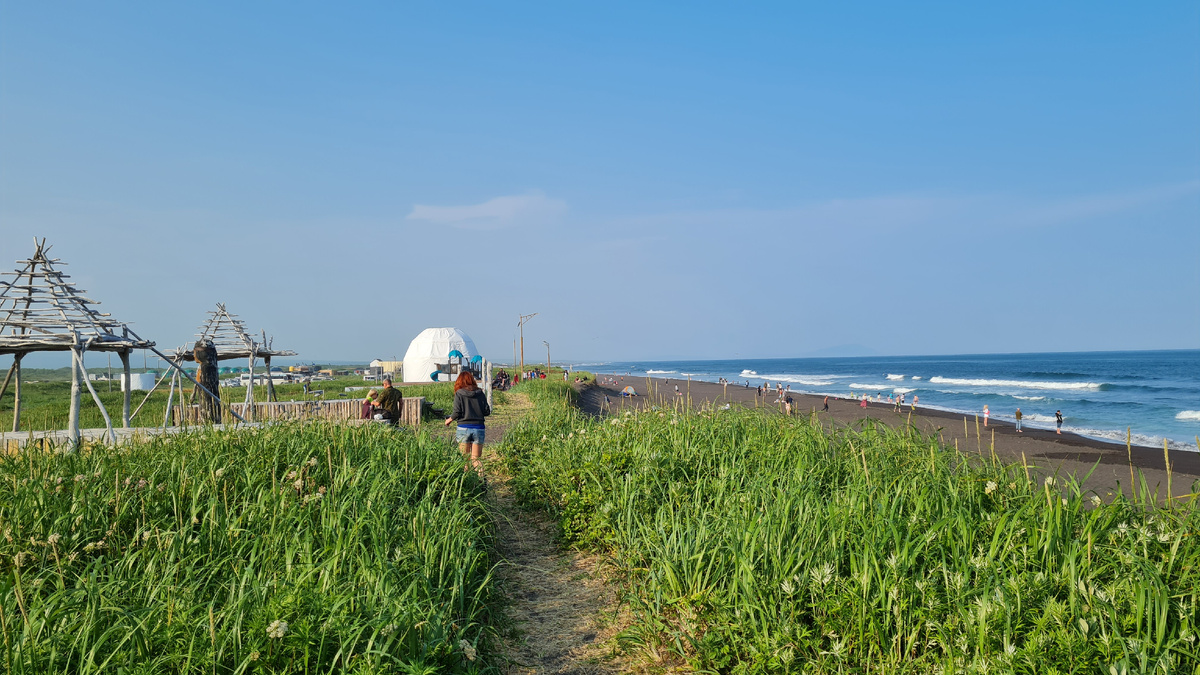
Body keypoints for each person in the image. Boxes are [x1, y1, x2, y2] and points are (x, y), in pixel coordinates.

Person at [445, 371, 491, 476]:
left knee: (464, 459)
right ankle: (482, 483)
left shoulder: (459, 393)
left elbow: (457, 412)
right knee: (476, 459)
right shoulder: (480, 393)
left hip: (463, 428)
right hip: (479, 428)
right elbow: (487, 411)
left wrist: (449, 420)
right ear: (472, 380)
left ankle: (466, 482)